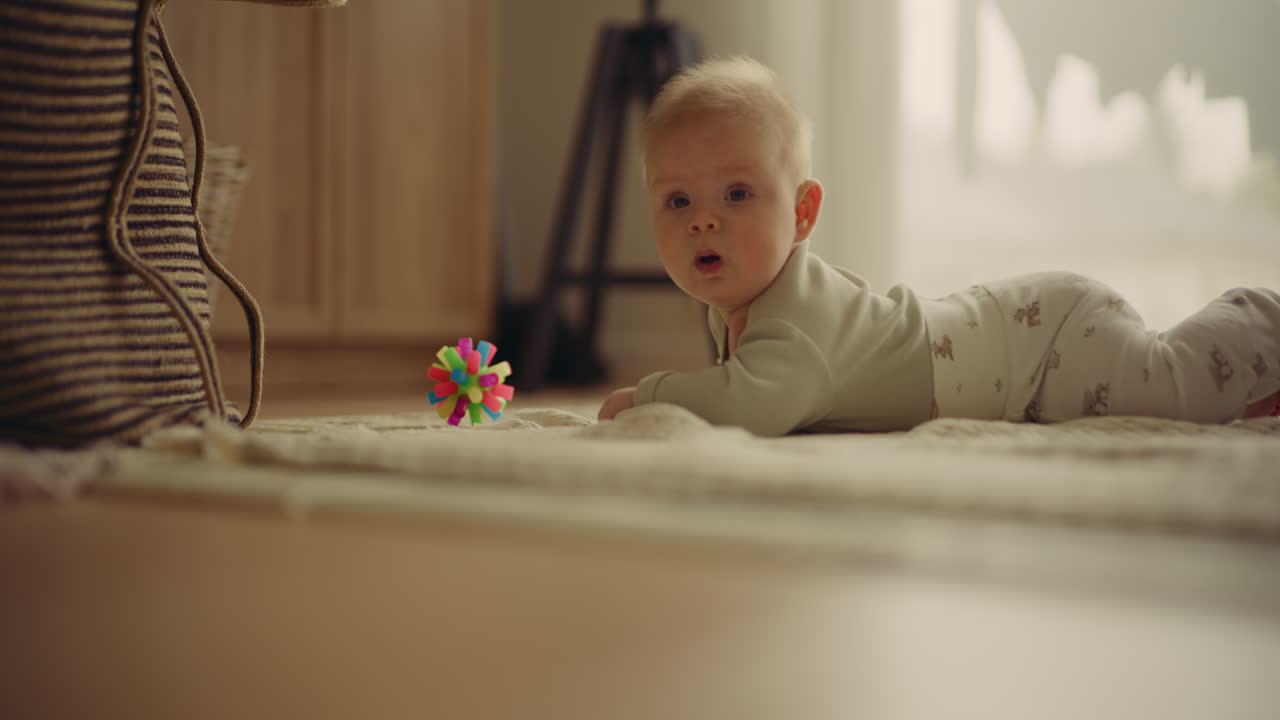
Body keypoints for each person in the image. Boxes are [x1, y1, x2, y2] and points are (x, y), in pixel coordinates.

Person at [596, 56, 1280, 435]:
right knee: (1194, 395)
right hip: (1024, 337)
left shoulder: (795, 319)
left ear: (804, 213)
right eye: (677, 201)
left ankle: (1265, 320)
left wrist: (646, 396)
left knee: (1175, 385)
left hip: (1044, 350)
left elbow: (753, 404)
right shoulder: (746, 306)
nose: (702, 222)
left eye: (737, 194)